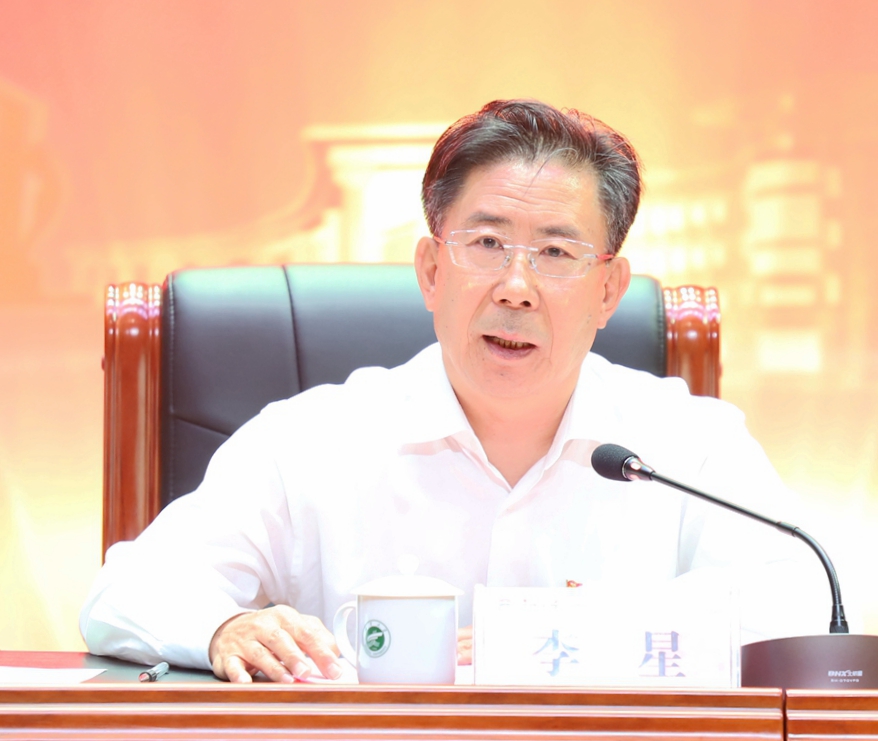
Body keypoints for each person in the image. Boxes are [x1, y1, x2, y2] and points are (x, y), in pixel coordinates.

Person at [80, 99, 825, 683]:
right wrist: (222, 627)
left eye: (556, 252)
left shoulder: (689, 444)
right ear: (432, 271)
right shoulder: (310, 441)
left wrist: (553, 635)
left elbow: (792, 609)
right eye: (487, 243)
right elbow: (127, 592)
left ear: (608, 290)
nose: (516, 287)